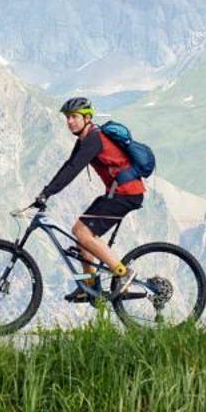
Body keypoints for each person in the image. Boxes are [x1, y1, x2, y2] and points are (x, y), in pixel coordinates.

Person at [28, 95, 145, 303]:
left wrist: (47, 193)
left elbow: (73, 169)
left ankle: (123, 272)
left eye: (74, 117)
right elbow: (68, 165)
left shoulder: (93, 139)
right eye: (67, 118)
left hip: (127, 193)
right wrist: (46, 192)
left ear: (87, 118)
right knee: (80, 232)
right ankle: (89, 286)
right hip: (117, 193)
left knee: (83, 232)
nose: (70, 121)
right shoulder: (85, 138)